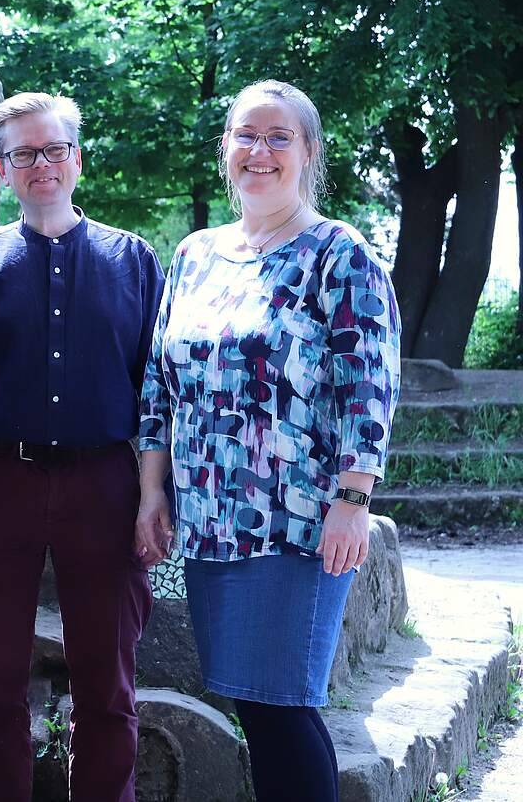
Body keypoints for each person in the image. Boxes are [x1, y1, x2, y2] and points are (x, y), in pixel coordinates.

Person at [137, 80, 399, 802]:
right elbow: (159, 383)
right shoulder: (194, 254)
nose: (260, 150)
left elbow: (368, 384)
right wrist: (152, 492)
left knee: (281, 705)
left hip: (300, 521)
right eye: (246, 134)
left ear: (309, 152)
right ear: (225, 149)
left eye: (279, 136)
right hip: (211, 520)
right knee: (255, 703)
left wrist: (354, 497)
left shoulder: (338, 254)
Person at [0, 93, 162, 802]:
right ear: (0, 168)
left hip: (105, 486)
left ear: (77, 159)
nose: (42, 164)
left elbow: (157, 386)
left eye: (54, 148)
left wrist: (155, 493)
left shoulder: (134, 260)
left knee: (108, 684)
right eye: (24, 153)